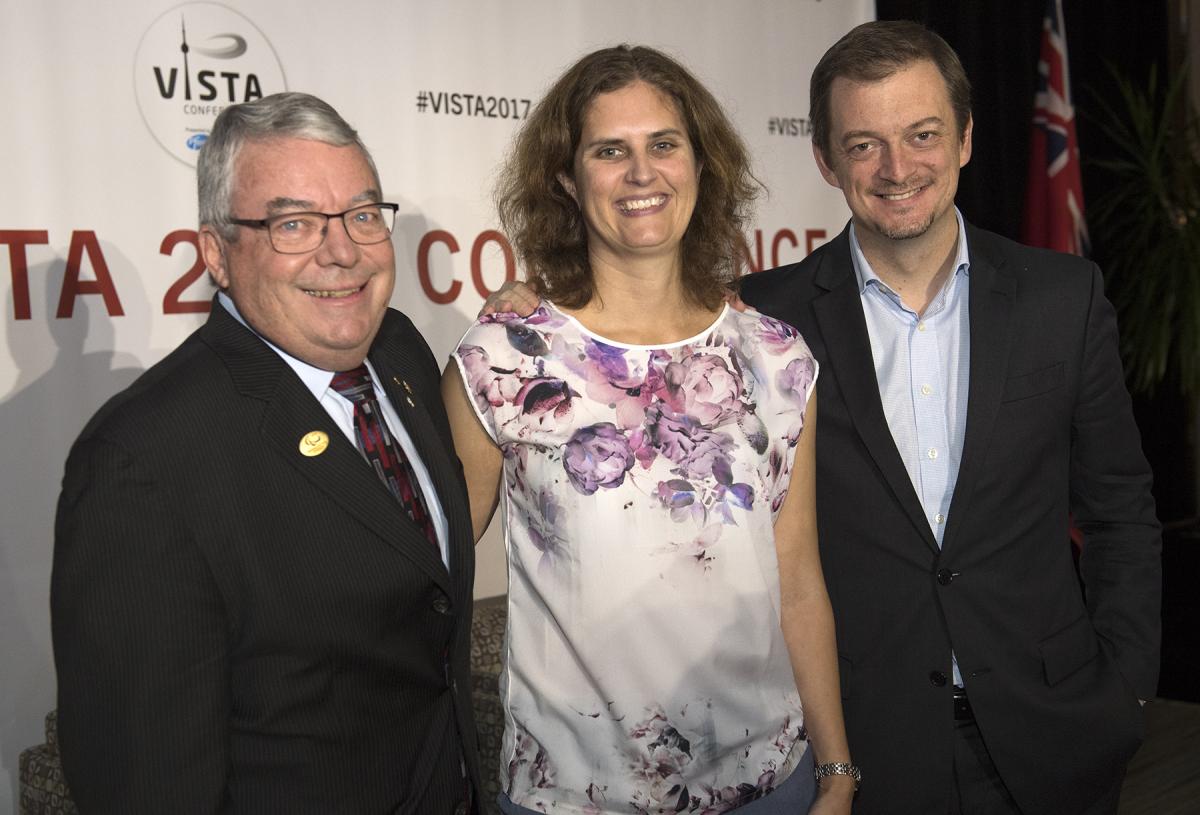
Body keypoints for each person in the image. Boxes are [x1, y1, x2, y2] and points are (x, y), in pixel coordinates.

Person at [738, 21, 1160, 815]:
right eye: (864, 145)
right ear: (826, 160)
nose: (898, 169)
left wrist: (1126, 692)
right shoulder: (763, 318)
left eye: (922, 134)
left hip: (1054, 740)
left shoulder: (1062, 299)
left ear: (965, 138)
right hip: (864, 754)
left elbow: (1121, 512)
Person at [442, 45, 855, 815]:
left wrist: (834, 771)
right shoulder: (504, 358)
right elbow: (428, 579)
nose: (642, 173)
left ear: (703, 163)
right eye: (610, 151)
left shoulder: (775, 357)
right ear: (566, 177)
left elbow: (797, 581)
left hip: (770, 788)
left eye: (664, 144)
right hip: (573, 799)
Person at [51, 92, 480, 814]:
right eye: (293, 223)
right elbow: (147, 785)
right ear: (217, 253)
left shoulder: (400, 348)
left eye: (363, 214)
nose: (343, 250)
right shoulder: (141, 462)